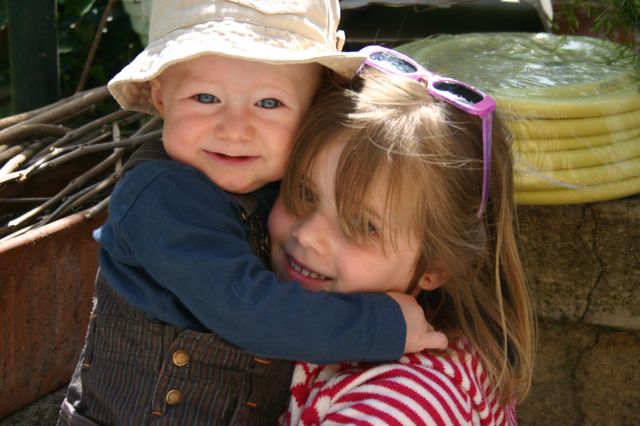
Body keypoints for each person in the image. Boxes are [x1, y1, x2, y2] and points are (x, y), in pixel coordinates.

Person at [58, 3, 447, 426]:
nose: (235, 129)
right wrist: (380, 326)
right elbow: (249, 310)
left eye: (269, 103)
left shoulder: (281, 180)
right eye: (205, 97)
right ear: (160, 96)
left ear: (313, 105)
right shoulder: (160, 200)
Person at [271, 47, 536, 425]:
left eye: (364, 225)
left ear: (436, 265)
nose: (309, 235)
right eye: (304, 193)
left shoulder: (406, 402)